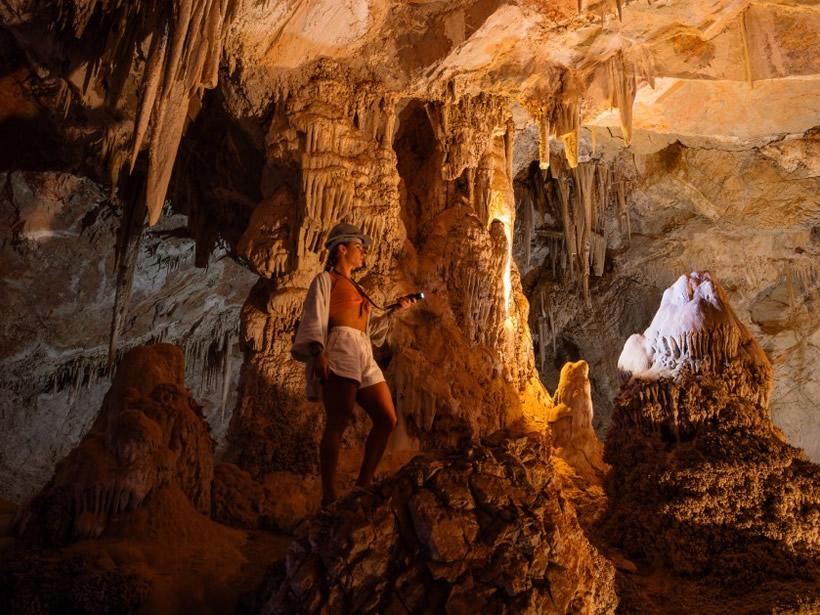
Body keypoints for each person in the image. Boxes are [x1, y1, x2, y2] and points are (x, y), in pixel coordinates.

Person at [291, 222, 418, 506]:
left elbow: (370, 330)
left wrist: (394, 311)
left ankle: (363, 485)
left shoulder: (357, 287)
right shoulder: (326, 280)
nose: (364, 253)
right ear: (342, 249)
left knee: (387, 418)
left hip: (362, 349)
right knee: (339, 419)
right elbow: (314, 315)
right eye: (359, 247)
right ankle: (328, 496)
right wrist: (318, 351)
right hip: (340, 347)